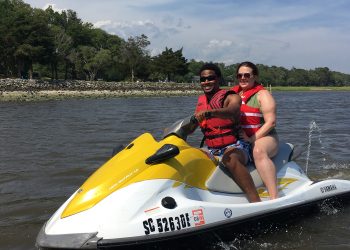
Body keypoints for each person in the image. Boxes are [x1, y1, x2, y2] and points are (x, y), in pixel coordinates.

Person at [194, 63, 261, 203]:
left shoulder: (231, 97)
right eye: (203, 79)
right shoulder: (201, 101)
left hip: (237, 146)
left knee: (230, 159)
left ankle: (255, 201)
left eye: (210, 78)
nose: (206, 82)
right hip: (212, 148)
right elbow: (193, 125)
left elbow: (233, 111)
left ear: (218, 79)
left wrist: (209, 113)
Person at [232, 61, 279, 199]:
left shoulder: (263, 95)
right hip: (241, 138)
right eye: (239, 75)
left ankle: (274, 197)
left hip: (266, 137)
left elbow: (271, 122)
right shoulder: (232, 95)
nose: (242, 78)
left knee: (258, 151)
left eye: (247, 75)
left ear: (255, 77)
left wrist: (252, 139)